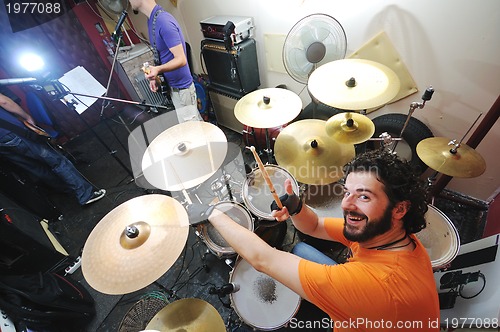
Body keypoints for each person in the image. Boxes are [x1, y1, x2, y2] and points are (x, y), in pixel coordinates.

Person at [204, 150, 440, 331]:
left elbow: (263, 259)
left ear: (399, 209)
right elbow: (315, 225)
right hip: (371, 308)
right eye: (347, 192)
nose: (346, 204)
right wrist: (296, 208)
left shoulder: (376, 285)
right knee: (301, 248)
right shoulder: (388, 236)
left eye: (364, 196)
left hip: (370, 301)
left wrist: (212, 211)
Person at [0, 91, 106, 206]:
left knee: (36, 168)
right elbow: (4, 101)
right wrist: (26, 116)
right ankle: (85, 195)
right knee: (57, 161)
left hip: (2, 145)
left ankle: (67, 190)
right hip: (13, 134)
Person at [129, 0, 202, 122]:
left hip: (182, 90)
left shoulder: (163, 21)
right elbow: (164, 56)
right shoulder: (152, 20)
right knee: (196, 125)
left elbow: (181, 59)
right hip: (174, 88)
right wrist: (156, 77)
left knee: (192, 132)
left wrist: (157, 69)